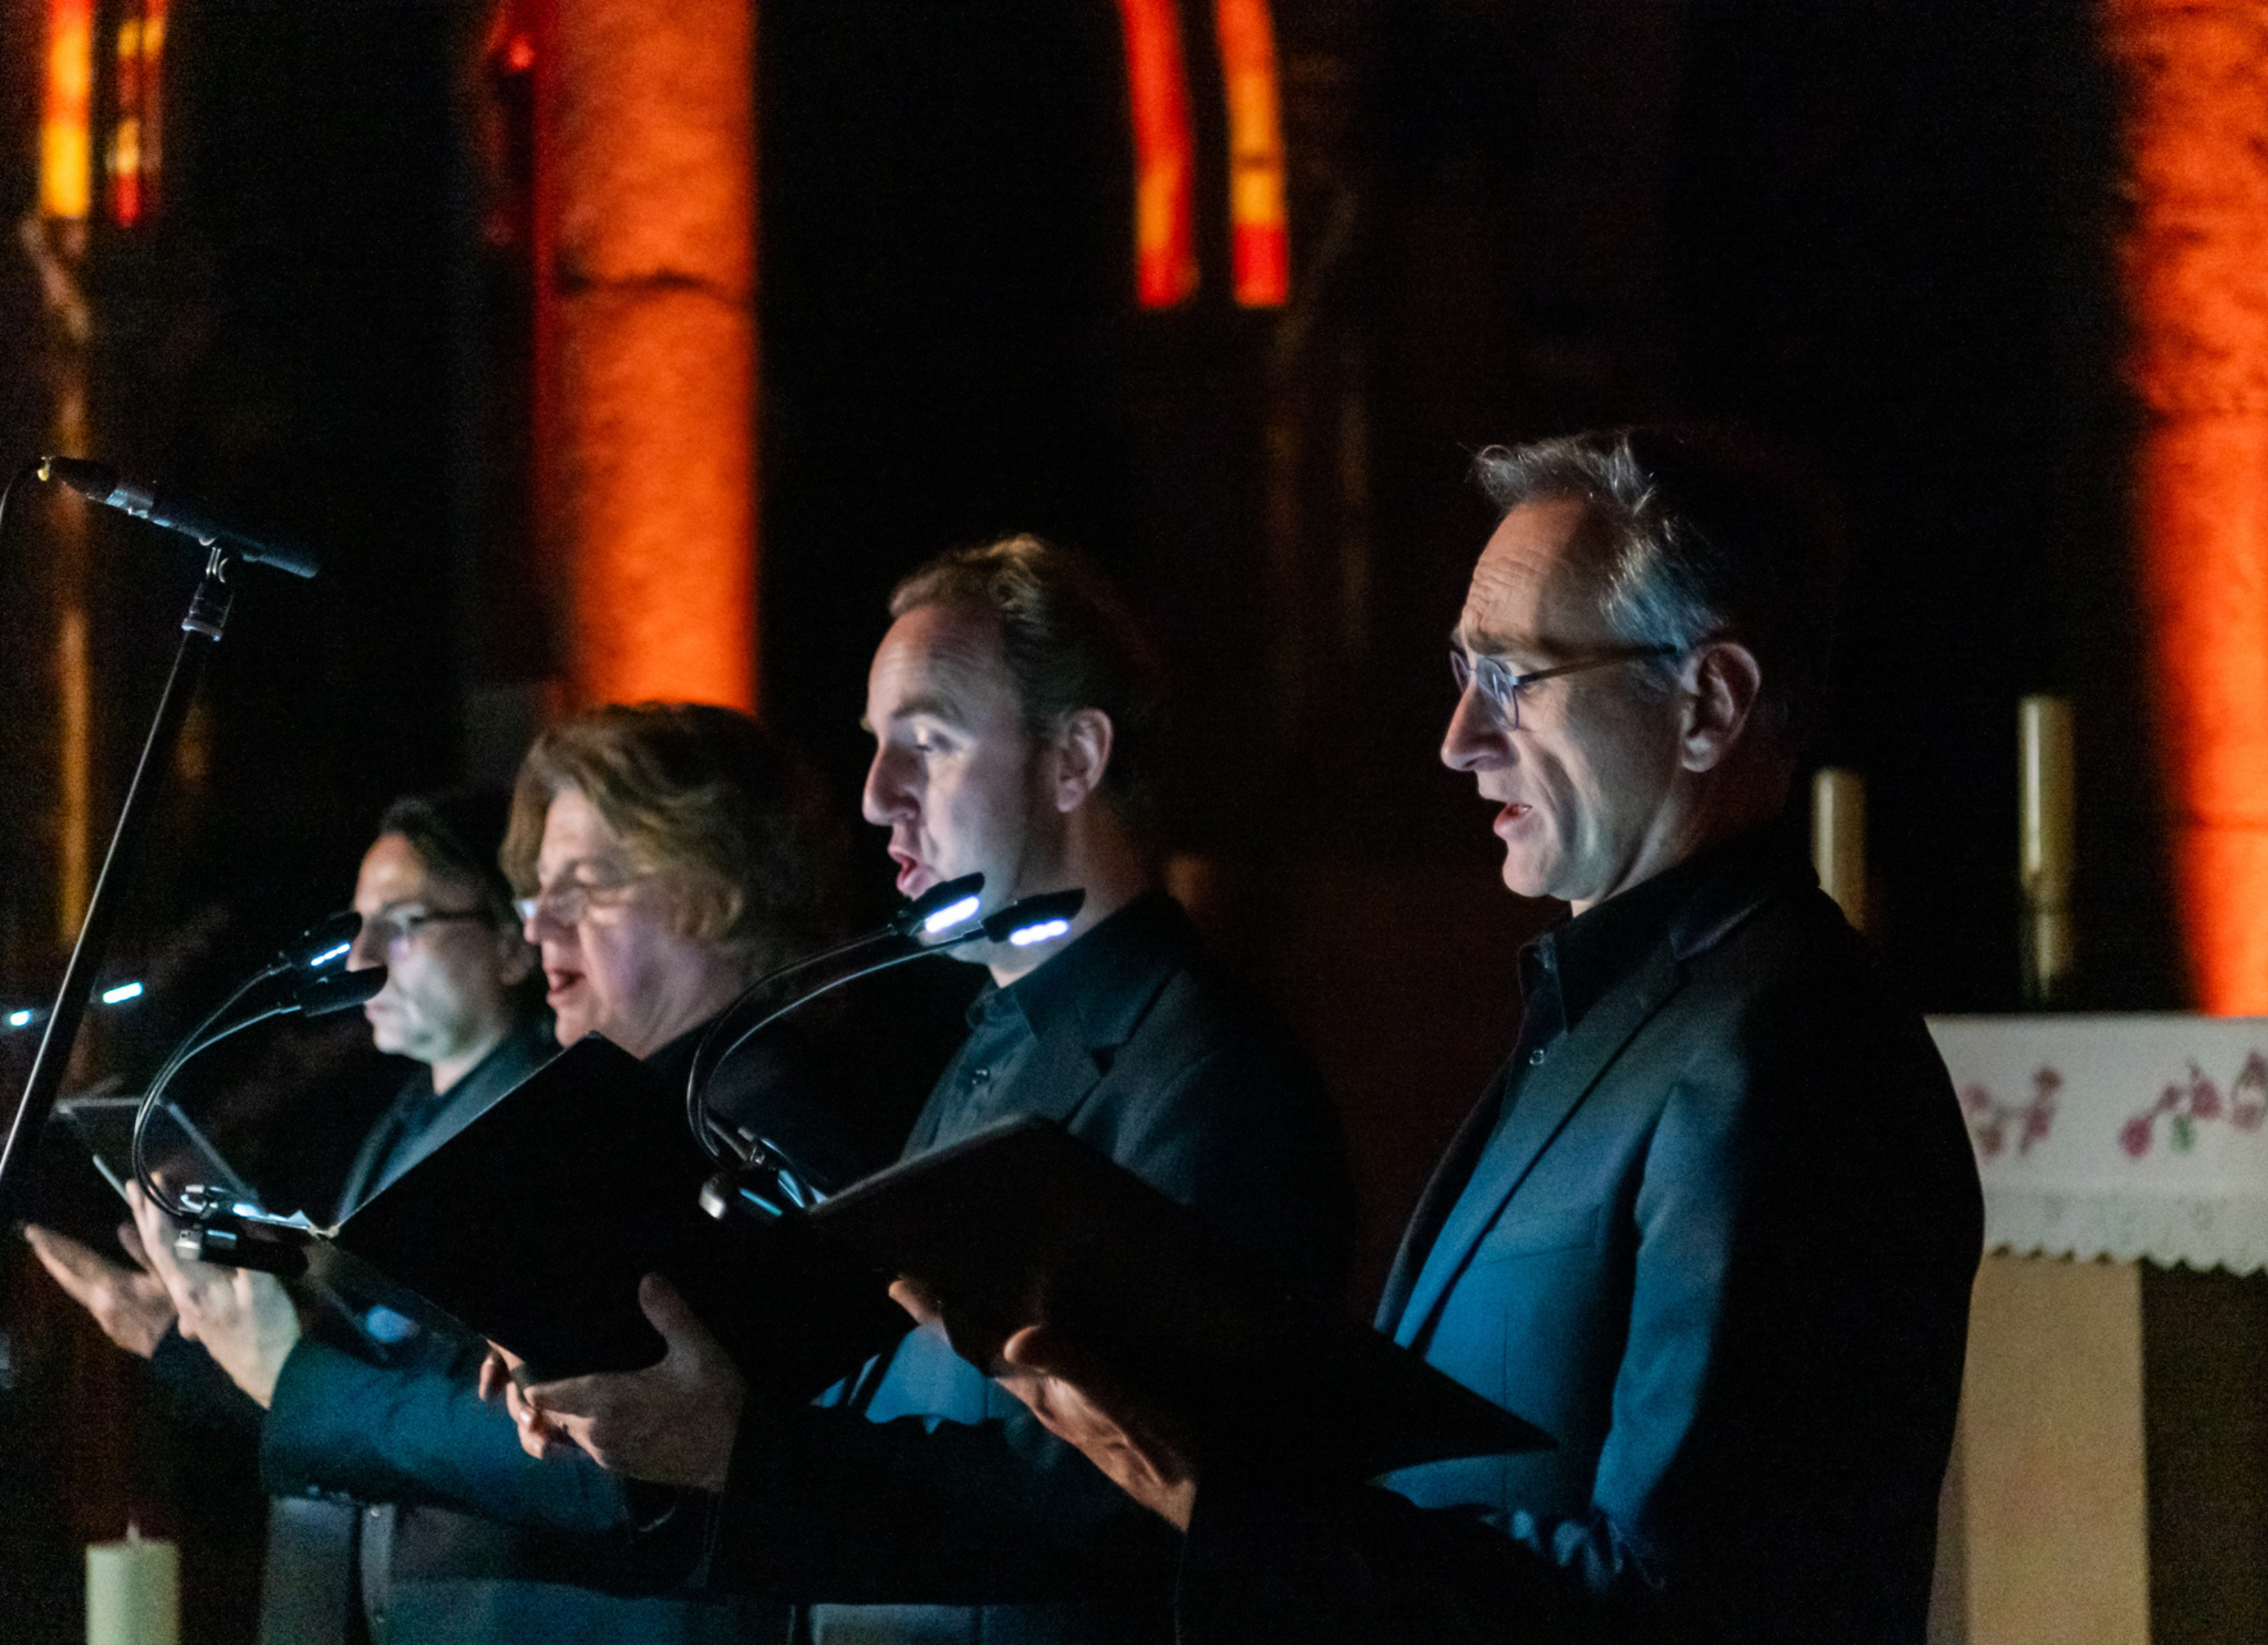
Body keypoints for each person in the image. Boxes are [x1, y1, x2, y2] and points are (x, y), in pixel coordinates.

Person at [968, 430, 1986, 1643]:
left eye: (1512, 678)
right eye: (1462, 671)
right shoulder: (1620, 1010)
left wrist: (1226, 1503)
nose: (1458, 737)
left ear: (1709, 702)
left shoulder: (1787, 1052)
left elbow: (1692, 1601)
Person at [505, 537, 1355, 1645]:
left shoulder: (1202, 1075)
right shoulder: (982, 1042)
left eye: (929, 743)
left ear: (1074, 760)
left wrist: (738, 1453)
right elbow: (898, 1419)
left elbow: (1115, 1507)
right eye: (874, 747)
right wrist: (656, 1401)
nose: (875, 797)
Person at [127, 707, 910, 1645]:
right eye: (538, 891)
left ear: (715, 890)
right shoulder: (641, 1110)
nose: (542, 923)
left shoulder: (766, 1121)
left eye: (584, 885)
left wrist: (296, 1376)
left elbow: (611, 1464)